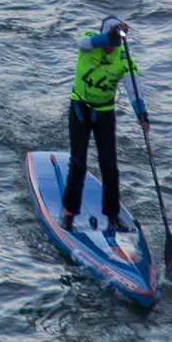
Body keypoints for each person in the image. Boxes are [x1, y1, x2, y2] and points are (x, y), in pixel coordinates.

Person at [61, 17, 148, 233]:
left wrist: (142, 114)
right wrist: (109, 36)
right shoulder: (89, 42)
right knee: (79, 164)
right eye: (108, 43)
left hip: (105, 114)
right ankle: (69, 215)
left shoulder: (124, 57)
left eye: (114, 44)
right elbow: (83, 44)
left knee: (109, 166)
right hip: (80, 109)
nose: (110, 49)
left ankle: (112, 217)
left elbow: (133, 89)